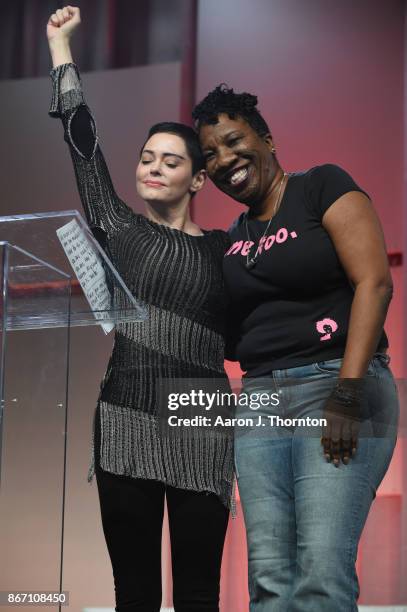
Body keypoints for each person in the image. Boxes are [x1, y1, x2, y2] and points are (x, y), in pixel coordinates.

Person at [47, 8, 235, 612]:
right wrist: (59, 48)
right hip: (125, 418)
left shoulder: (225, 249)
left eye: (170, 161)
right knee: (135, 595)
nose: (153, 168)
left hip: (202, 422)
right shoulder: (117, 226)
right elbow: (83, 143)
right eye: (147, 158)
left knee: (200, 593)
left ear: (198, 179)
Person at [192, 85, 399, 611]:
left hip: (335, 384)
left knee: (321, 573)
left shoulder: (321, 186)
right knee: (269, 579)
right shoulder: (235, 237)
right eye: (210, 154)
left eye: (234, 141)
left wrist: (349, 395)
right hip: (261, 400)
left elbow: (374, 284)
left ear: (267, 138)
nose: (223, 159)